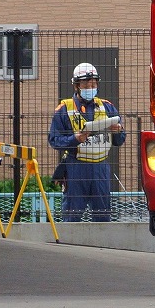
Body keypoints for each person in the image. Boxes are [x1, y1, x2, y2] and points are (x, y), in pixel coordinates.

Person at [48, 63, 126, 222]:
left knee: (103, 215)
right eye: (86, 83)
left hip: (101, 167)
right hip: (76, 166)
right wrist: (74, 139)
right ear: (76, 85)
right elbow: (54, 140)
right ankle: (69, 245)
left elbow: (120, 140)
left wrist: (118, 131)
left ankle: (101, 246)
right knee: (72, 215)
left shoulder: (108, 107)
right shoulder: (64, 109)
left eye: (94, 83)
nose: (91, 86)